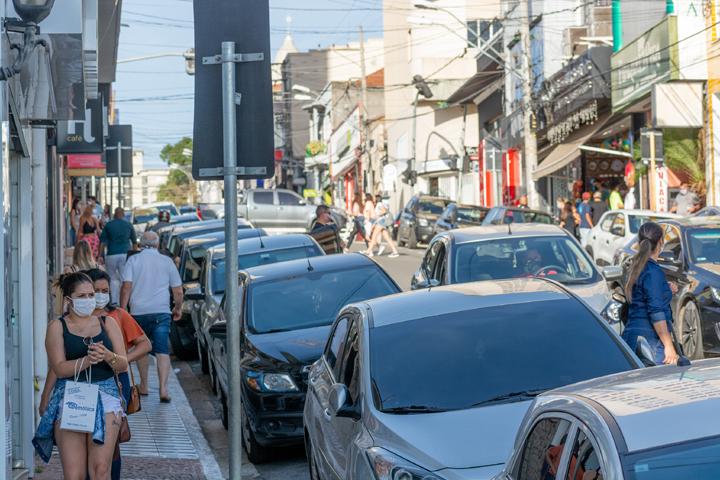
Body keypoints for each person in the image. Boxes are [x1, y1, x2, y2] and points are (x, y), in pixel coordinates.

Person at [33, 272, 129, 480]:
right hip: (72, 398)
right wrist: (87, 361)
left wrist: (107, 355)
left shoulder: (107, 323)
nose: (88, 300)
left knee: (101, 469)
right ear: (69, 300)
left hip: (106, 396)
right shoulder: (57, 326)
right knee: (74, 474)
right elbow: (58, 368)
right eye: (82, 296)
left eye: (91, 295)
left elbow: (123, 364)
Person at [120, 232, 183, 402]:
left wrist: (122, 309)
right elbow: (177, 290)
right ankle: (163, 388)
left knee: (142, 348)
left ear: (140, 244)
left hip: (138, 312)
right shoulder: (167, 261)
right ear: (157, 244)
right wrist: (178, 308)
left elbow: (126, 287)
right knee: (162, 349)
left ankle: (145, 385)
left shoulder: (133, 260)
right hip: (161, 312)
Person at [622, 222, 679, 365]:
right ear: (660, 242)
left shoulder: (636, 267)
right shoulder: (653, 272)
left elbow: (642, 294)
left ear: (640, 242)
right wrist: (669, 345)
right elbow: (656, 312)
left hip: (631, 338)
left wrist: (665, 288)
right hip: (650, 342)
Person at [100, 208, 138, 303]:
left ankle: (114, 301)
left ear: (114, 214)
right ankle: (124, 301)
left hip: (111, 254)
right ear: (123, 214)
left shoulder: (109, 225)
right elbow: (134, 242)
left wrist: (100, 255)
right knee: (124, 278)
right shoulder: (128, 225)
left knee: (112, 278)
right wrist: (135, 255)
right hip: (125, 254)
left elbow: (102, 242)